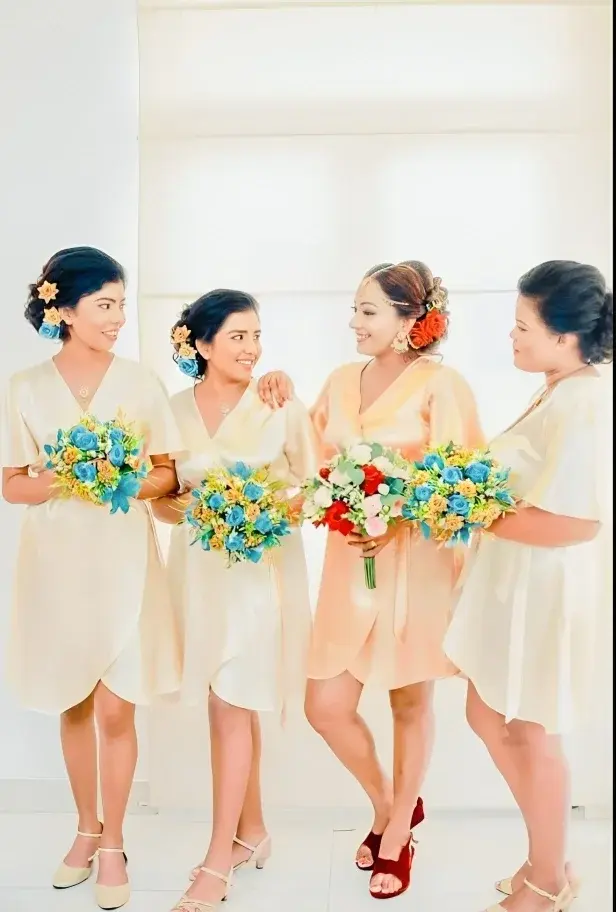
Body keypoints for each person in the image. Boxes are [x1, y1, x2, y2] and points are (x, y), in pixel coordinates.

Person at [258, 261, 485, 900]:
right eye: (354, 310)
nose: (354, 323)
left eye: (367, 311)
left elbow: (462, 482)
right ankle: (392, 805)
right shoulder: (339, 380)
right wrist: (279, 391)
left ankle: (396, 835)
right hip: (348, 563)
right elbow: (307, 457)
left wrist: (398, 517)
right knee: (325, 705)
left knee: (408, 701)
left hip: (416, 564)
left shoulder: (443, 386)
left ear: (410, 319)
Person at [1, 247, 183, 911]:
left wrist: (126, 481)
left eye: (121, 305)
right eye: (105, 304)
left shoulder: (139, 382)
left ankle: (114, 843)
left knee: (115, 706)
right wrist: (67, 477)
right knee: (73, 701)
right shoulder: (24, 386)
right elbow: (12, 486)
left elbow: (168, 473)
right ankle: (85, 828)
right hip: (56, 567)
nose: (117, 317)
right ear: (65, 308)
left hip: (124, 559)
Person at [444, 261, 613, 912]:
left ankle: (548, 881)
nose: (511, 337)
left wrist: (471, 511)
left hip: (545, 588)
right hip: (515, 581)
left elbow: (579, 522)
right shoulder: (556, 390)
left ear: (564, 336)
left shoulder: (583, 402)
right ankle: (551, 857)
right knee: (487, 713)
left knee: (532, 730)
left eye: (522, 326)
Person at [151, 289, 316, 912]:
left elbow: (317, 486)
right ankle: (253, 833)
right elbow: (164, 503)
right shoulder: (171, 410)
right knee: (228, 705)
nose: (252, 349)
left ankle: (217, 859)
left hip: (258, 579)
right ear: (201, 344)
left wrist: (261, 514)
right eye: (237, 337)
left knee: (230, 703)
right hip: (198, 575)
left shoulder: (279, 403)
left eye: (256, 336)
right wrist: (204, 511)